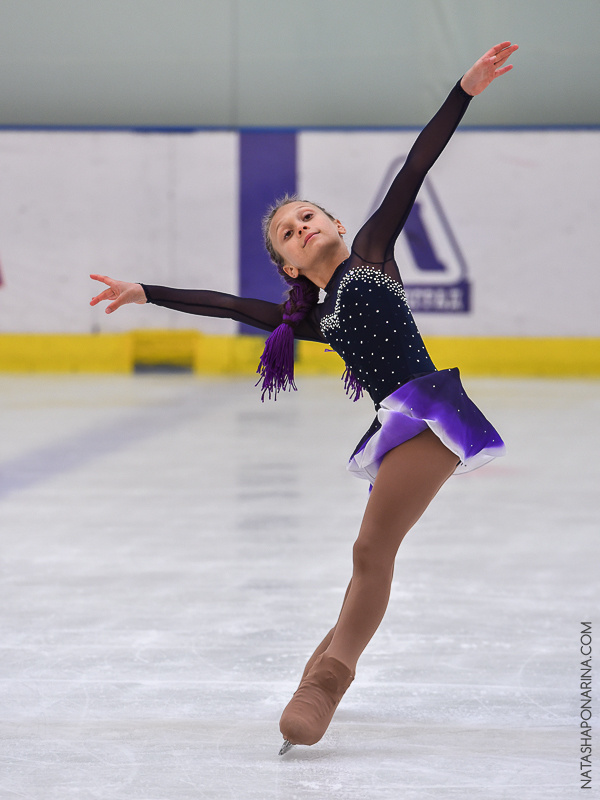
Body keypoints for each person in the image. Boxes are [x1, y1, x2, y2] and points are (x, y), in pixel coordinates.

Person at [90, 41, 518, 755]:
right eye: (289, 232)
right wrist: (147, 292)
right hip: (398, 424)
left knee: (369, 549)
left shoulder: (373, 253)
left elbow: (417, 165)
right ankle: (319, 674)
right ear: (289, 262)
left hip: (433, 414)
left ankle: (328, 682)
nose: (303, 227)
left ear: (338, 226)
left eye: (310, 216)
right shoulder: (313, 321)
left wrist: (463, 91)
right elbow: (227, 305)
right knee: (370, 558)